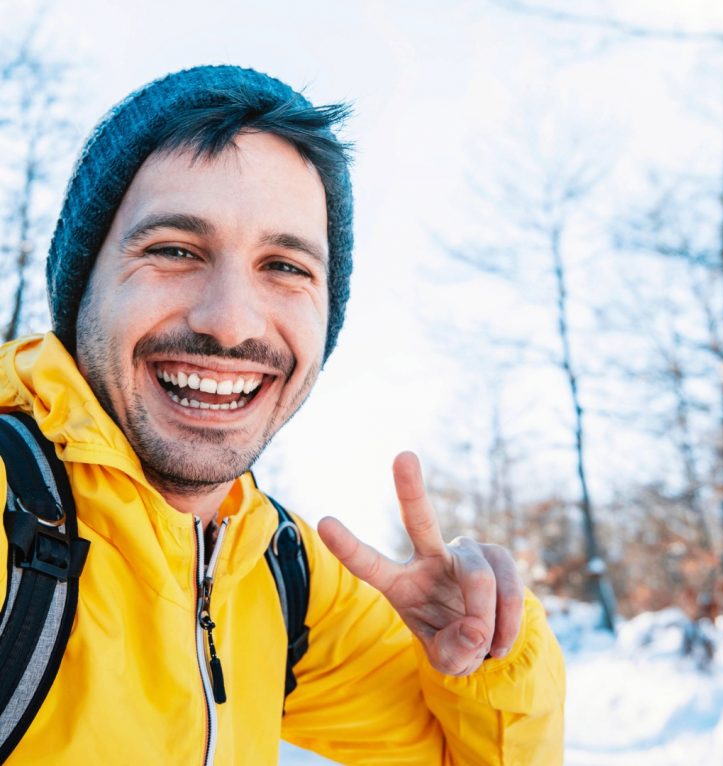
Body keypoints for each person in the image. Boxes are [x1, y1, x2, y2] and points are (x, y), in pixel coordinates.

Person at [0, 65, 564, 764]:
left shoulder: (278, 568)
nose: (231, 322)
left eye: (286, 267)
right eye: (173, 250)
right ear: (83, 284)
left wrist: (489, 655)